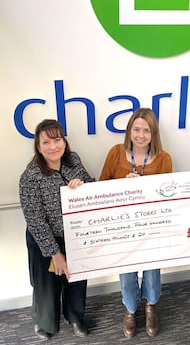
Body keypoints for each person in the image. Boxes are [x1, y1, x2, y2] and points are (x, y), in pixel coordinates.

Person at [99, 108, 172, 338]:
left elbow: (167, 196)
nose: (140, 135)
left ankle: (151, 306)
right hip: (123, 226)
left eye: (146, 130)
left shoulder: (164, 158)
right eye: (136, 129)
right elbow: (101, 186)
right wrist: (123, 184)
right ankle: (130, 310)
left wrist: (144, 186)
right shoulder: (115, 153)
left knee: (152, 271)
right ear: (129, 130)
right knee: (127, 271)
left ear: (154, 133)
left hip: (151, 226)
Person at [19, 119, 94, 340]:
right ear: (38, 146)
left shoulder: (74, 160)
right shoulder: (30, 176)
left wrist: (83, 185)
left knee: (76, 279)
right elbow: (35, 220)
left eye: (57, 139)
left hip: (74, 235)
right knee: (46, 285)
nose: (53, 146)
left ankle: (75, 316)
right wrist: (55, 253)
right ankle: (45, 323)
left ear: (64, 140)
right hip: (44, 240)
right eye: (46, 142)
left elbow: (91, 186)